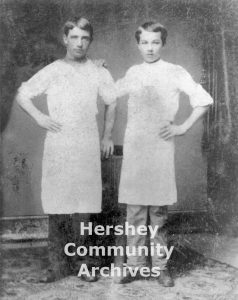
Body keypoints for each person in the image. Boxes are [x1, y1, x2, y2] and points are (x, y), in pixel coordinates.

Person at [16, 16, 116, 283]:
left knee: (85, 205)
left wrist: (107, 136)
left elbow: (112, 101)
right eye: (74, 37)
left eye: (85, 38)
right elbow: (23, 94)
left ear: (90, 41)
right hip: (59, 143)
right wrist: (40, 118)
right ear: (65, 39)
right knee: (58, 202)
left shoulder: (99, 71)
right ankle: (57, 265)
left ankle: (83, 263)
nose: (79, 43)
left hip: (86, 141)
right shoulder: (53, 70)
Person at [114, 21, 213, 286]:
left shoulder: (174, 71)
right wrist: (98, 70)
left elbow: (203, 100)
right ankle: (134, 266)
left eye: (155, 42)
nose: (149, 47)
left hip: (159, 148)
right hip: (136, 147)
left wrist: (181, 127)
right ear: (138, 44)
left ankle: (160, 267)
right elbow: (109, 93)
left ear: (163, 43)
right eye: (144, 42)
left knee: (157, 212)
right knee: (134, 212)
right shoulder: (133, 72)